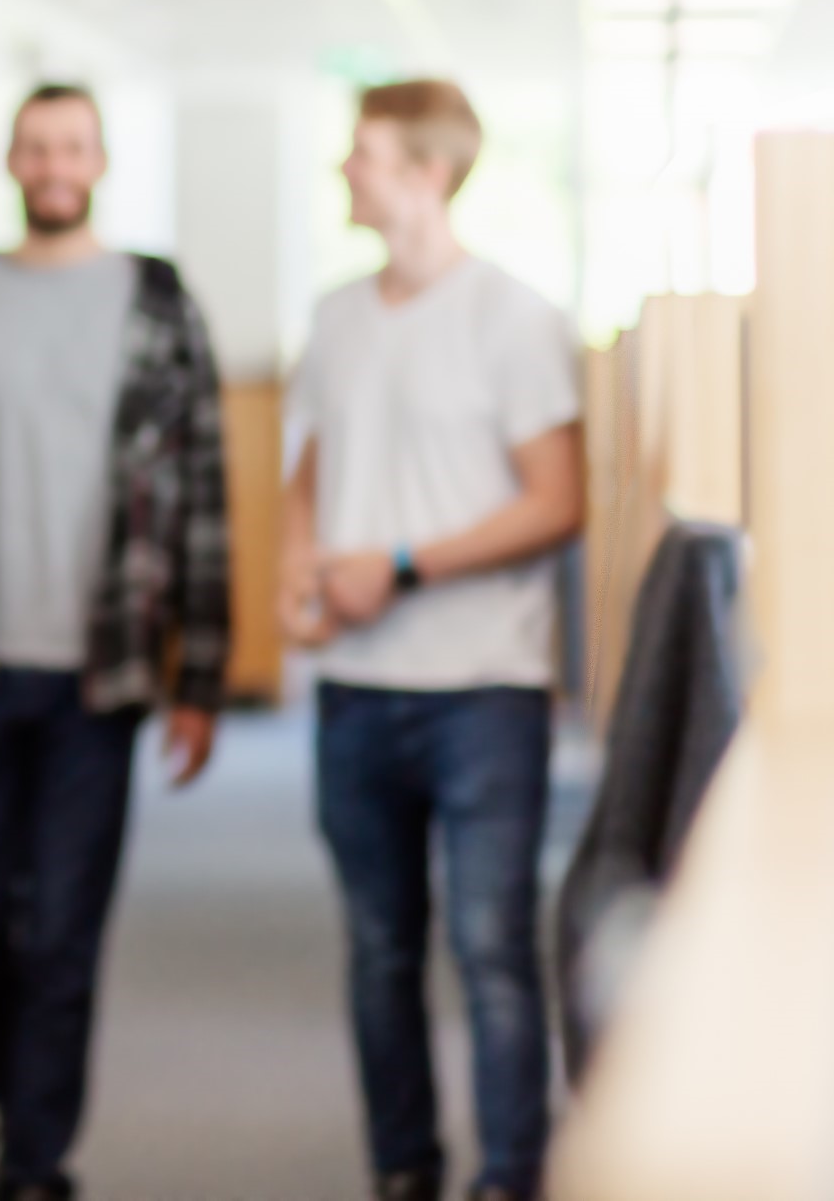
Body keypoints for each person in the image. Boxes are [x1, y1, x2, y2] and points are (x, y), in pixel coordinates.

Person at [0, 82, 229, 1201]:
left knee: (65, 934)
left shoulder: (158, 303)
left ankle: (33, 1165)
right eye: (36, 144)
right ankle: (19, 1100)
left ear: (100, 159)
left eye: (72, 143)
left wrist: (200, 677)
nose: (54, 161)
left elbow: (206, 497)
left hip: (102, 670)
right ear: (12, 161)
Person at [281, 80, 582, 1201]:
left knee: (493, 955)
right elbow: (309, 467)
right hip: (354, 691)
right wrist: (295, 572)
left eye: (360, 154)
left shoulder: (514, 316)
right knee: (379, 954)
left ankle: (512, 1176)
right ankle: (403, 1170)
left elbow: (556, 501)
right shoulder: (333, 316)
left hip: (482, 691)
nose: (344, 172)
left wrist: (397, 564)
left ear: (422, 172)